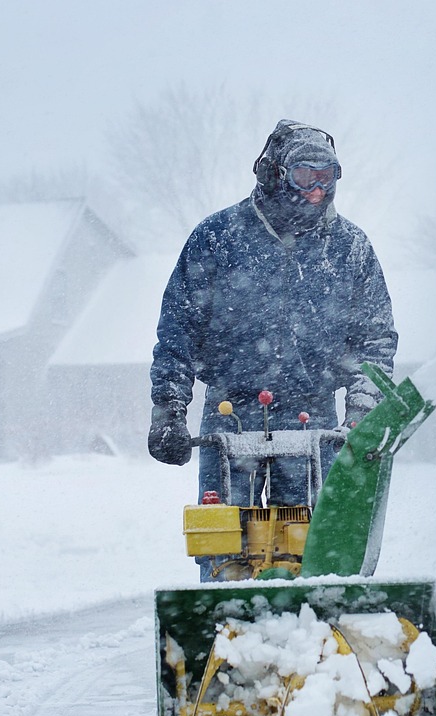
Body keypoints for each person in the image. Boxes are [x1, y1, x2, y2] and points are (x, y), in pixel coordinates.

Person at [147, 120, 397, 514]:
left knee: (310, 540)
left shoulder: (349, 248)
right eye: (304, 176)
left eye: (326, 177)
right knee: (225, 539)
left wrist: (362, 411)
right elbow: (180, 329)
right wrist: (169, 409)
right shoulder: (218, 237)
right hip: (230, 413)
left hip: (312, 416)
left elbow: (375, 339)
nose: (317, 191)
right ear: (275, 174)